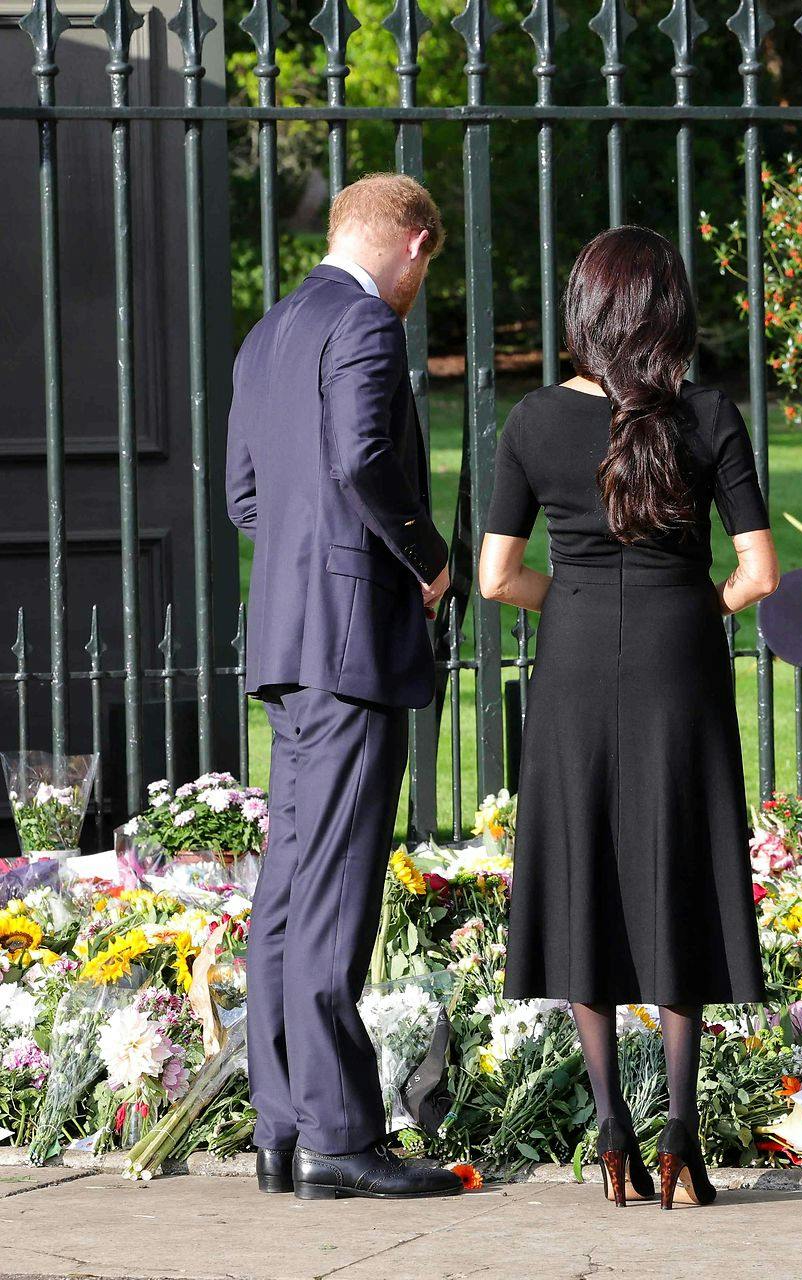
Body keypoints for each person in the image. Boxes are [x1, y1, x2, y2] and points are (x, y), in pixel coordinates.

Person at [478, 226, 777, 1210]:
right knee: (678, 867)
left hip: (570, 668)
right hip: (679, 663)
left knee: (583, 876)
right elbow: (759, 572)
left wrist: (570, 596)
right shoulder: (708, 413)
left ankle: (612, 1130)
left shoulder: (530, 421)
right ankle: (683, 1141)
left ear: (583, 312)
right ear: (671, 314)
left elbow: (495, 575)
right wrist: (698, 606)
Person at [226, 173, 461, 1200]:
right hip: (351, 649)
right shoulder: (366, 323)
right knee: (332, 895)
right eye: (427, 267)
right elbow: (367, 456)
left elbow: (244, 496)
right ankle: (337, 1134)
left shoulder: (269, 331)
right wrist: (427, 558)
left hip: (287, 643)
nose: (420, 287)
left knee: (286, 890)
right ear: (412, 243)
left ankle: (281, 1124)